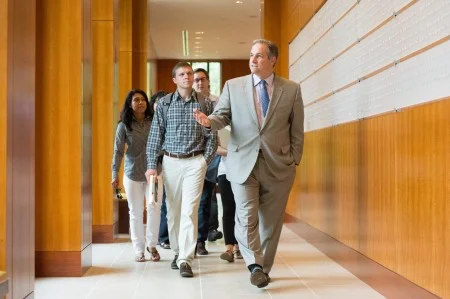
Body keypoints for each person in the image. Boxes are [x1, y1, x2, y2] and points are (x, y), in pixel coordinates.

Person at [193, 39, 304, 288]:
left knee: (271, 222)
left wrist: (295, 159)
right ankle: (254, 264)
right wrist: (209, 121)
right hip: (242, 162)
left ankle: (263, 268)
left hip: (279, 165)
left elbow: (297, 129)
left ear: (272, 60)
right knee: (245, 215)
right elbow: (222, 115)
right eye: (251, 55)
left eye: (259, 56)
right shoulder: (234, 86)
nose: (253, 60)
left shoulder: (291, 89)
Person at [146, 62, 218, 278]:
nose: (187, 77)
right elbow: (155, 136)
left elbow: (212, 135)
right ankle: (177, 252)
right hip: (171, 162)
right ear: (175, 79)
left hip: (195, 162)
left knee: (189, 210)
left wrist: (204, 161)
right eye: (182, 74)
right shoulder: (164, 104)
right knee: (174, 211)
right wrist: (151, 165)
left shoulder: (205, 103)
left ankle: (186, 258)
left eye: (189, 73)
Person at [111, 89, 162, 262]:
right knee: (136, 212)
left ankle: (152, 245)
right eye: (136, 100)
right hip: (132, 174)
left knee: (154, 208)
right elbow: (118, 151)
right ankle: (139, 249)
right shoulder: (123, 125)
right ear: (130, 104)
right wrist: (114, 173)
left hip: (154, 173)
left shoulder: (155, 121)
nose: (140, 102)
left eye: (143, 100)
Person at [192, 68, 222, 255]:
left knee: (206, 198)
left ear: (209, 81)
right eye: (196, 80)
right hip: (192, 156)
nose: (199, 83)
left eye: (203, 79)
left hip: (212, 156)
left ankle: (201, 240)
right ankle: (194, 238)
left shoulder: (217, 102)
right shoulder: (189, 102)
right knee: (194, 201)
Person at [215, 135, 242, 262]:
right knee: (228, 209)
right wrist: (234, 153)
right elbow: (216, 148)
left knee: (242, 209)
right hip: (224, 172)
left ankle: (240, 246)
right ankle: (229, 248)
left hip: (244, 170)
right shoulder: (220, 125)